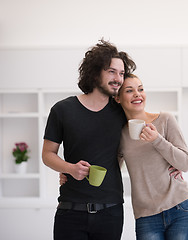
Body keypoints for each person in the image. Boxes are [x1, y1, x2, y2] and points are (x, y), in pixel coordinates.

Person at [42, 39, 136, 240]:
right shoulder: (62, 110)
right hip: (70, 211)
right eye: (112, 71)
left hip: (111, 212)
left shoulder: (121, 112)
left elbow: (149, 126)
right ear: (95, 73)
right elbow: (47, 154)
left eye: (121, 73)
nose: (118, 79)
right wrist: (69, 169)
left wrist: (171, 163)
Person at [116, 74, 188, 240]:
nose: (137, 94)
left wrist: (157, 140)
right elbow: (111, 169)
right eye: (129, 90)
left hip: (180, 207)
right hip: (146, 217)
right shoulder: (119, 134)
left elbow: (186, 163)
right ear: (117, 98)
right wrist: (70, 173)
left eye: (140, 89)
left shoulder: (165, 119)